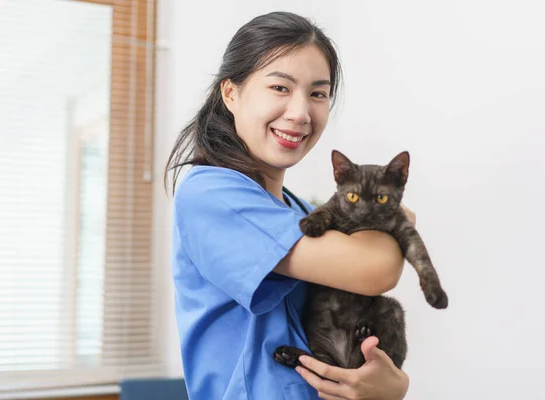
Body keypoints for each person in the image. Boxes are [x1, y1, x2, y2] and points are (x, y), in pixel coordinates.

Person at [166, 11, 412, 400]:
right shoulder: (211, 193)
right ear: (231, 93)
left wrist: (392, 386)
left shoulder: (296, 211)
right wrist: (402, 217)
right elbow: (377, 268)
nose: (300, 113)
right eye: (280, 88)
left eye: (318, 93)